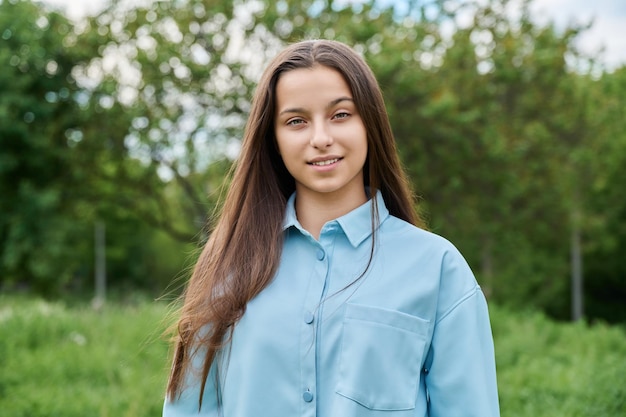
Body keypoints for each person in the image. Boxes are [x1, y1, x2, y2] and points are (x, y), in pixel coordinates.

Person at [163, 39, 500, 417]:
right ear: (272, 138)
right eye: (296, 121)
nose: (321, 138)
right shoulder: (228, 261)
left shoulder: (438, 268)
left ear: (370, 124)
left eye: (341, 114)